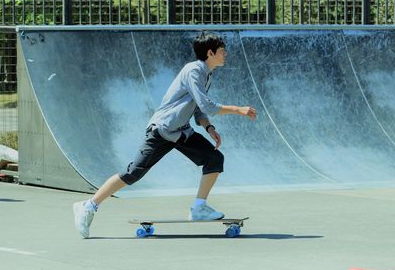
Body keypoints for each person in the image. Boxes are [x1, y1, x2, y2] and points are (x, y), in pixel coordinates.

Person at [73, 31, 257, 238]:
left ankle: (199, 207)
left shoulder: (206, 73)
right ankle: (89, 206)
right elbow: (207, 104)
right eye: (222, 51)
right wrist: (238, 109)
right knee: (134, 172)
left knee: (214, 158)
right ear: (210, 52)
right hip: (162, 130)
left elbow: (198, 108)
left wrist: (208, 128)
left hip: (180, 132)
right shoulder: (194, 70)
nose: (226, 54)